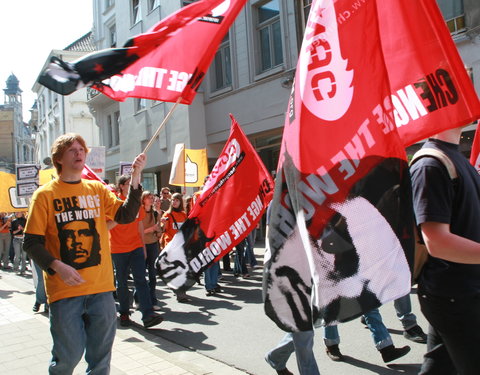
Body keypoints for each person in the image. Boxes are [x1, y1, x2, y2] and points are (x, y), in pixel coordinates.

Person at [22, 133, 158, 374]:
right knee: (68, 357)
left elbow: (125, 215)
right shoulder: (44, 195)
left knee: (100, 360)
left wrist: (137, 177)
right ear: (59, 159)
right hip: (64, 291)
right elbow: (31, 243)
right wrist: (58, 267)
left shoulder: (97, 189)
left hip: (101, 289)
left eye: (81, 149)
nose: (79, 153)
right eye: (72, 150)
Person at [410, 127, 480, 375]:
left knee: (438, 369)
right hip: (455, 295)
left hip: (457, 292)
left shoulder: (455, 156)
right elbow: (437, 242)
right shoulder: (430, 164)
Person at [108, 176, 164, 327]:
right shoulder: (113, 202)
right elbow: (107, 226)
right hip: (118, 248)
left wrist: (143, 247)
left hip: (136, 247)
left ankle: (148, 314)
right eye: (128, 184)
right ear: (121, 186)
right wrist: (122, 216)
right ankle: (124, 312)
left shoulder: (137, 205)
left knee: (141, 279)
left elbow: (139, 226)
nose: (132, 187)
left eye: (135, 184)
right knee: (122, 282)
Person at [140, 191, 162, 310]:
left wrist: (158, 232)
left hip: (153, 244)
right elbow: (138, 232)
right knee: (141, 274)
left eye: (152, 197)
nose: (151, 199)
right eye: (149, 197)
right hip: (142, 245)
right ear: (143, 199)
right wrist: (151, 229)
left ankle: (153, 300)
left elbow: (158, 228)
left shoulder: (154, 212)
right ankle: (138, 298)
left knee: (153, 274)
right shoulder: (139, 213)